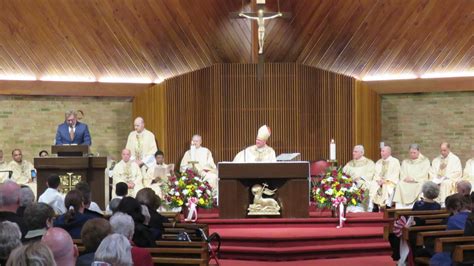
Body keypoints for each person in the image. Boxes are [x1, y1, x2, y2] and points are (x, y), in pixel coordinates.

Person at [393, 144, 431, 209]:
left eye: (414, 153)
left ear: (419, 152)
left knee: (421, 184)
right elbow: (402, 173)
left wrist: (414, 179)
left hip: (418, 181)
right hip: (407, 181)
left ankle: (416, 206)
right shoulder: (405, 162)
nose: (412, 154)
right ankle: (401, 207)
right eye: (411, 153)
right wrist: (405, 178)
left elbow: (424, 173)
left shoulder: (425, 161)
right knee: (400, 184)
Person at [368, 145, 400, 212]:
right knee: (373, 185)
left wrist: (385, 181)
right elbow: (376, 174)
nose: (382, 153)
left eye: (383, 151)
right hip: (379, 181)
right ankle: (374, 206)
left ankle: (386, 206)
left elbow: (395, 174)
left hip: (390, 181)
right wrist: (378, 180)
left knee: (387, 186)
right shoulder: (378, 162)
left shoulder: (395, 161)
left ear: (389, 152)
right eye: (381, 151)